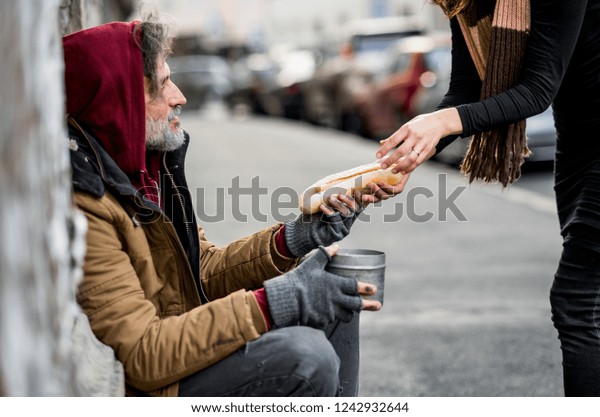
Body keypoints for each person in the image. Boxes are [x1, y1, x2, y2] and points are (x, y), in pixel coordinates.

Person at [63, 11, 406, 397]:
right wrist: (280, 300)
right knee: (304, 356)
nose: (180, 96)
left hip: (178, 348)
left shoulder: (144, 173)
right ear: (119, 103)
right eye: (162, 85)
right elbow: (144, 354)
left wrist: (294, 239)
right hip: (153, 385)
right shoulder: (88, 204)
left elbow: (200, 270)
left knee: (332, 296)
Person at [375, 0, 600, 396]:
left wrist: (441, 121)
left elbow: (536, 90)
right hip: (579, 145)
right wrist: (408, 158)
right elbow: (465, 90)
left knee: (577, 302)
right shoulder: (467, 2)